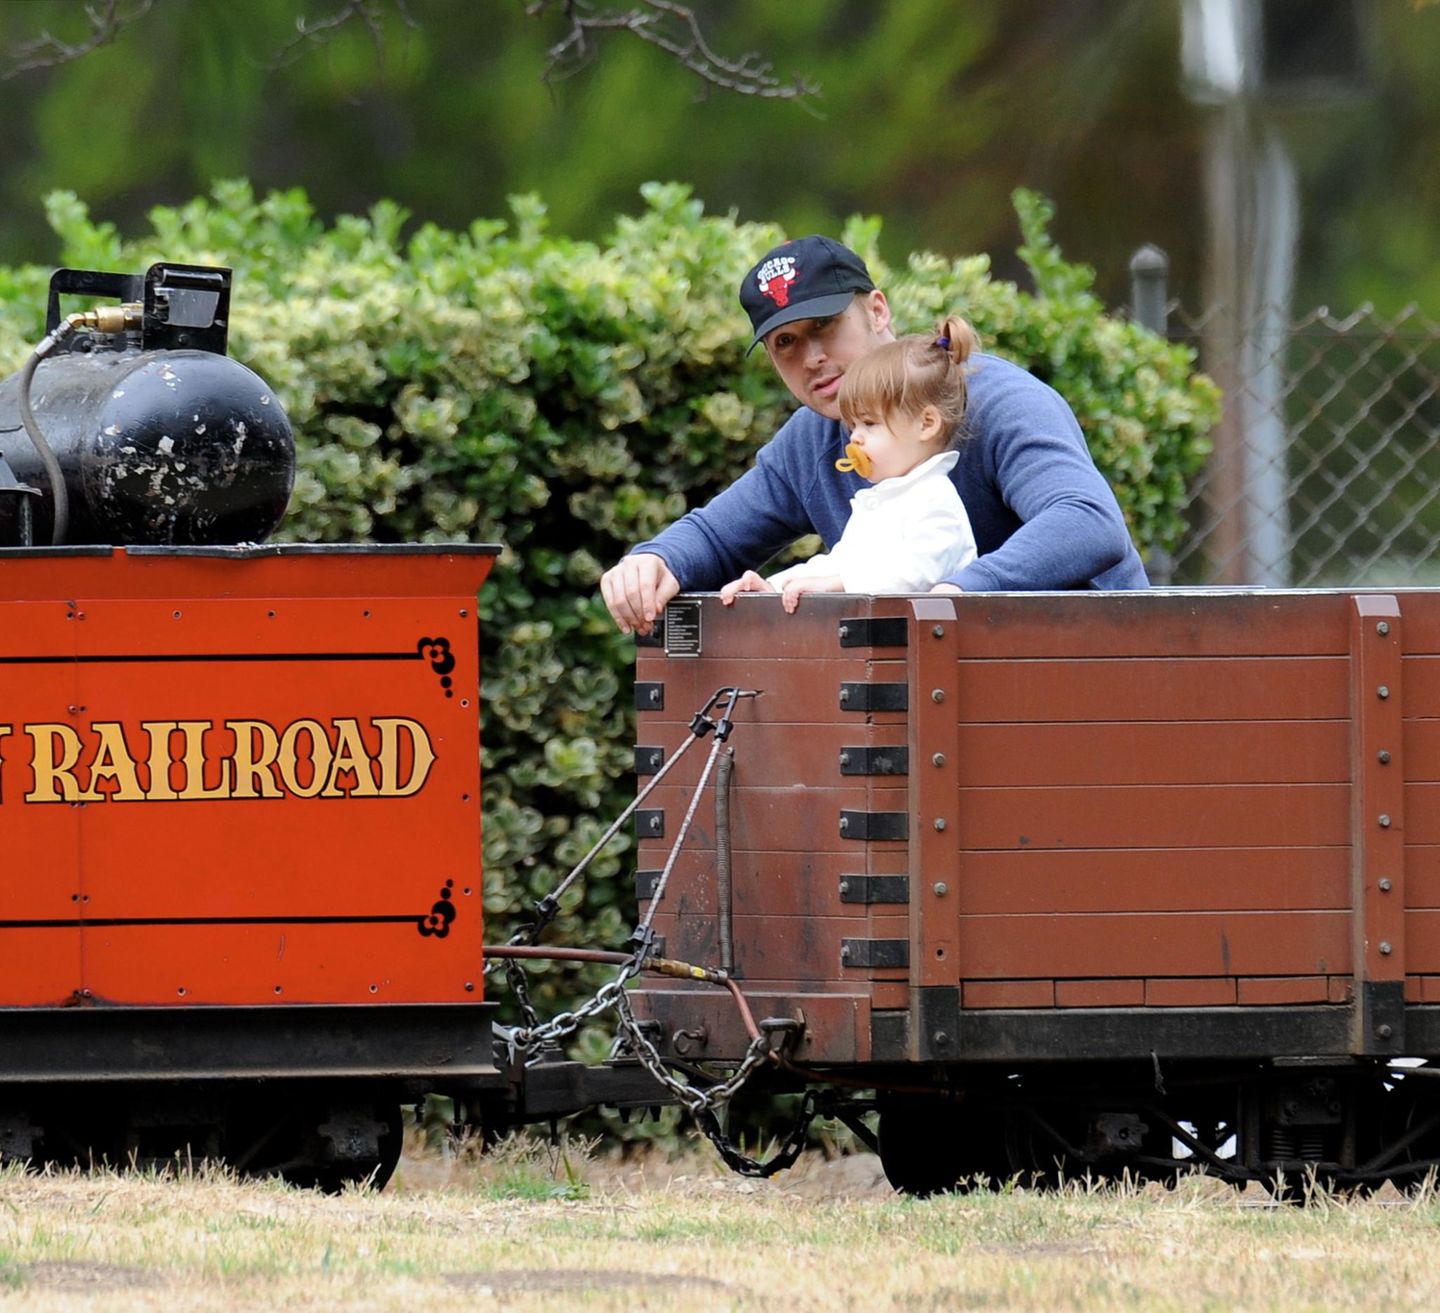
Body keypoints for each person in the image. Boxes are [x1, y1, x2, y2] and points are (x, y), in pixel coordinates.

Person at [600, 234, 1148, 637]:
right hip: (945, 707)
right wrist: (655, 561)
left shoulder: (996, 400)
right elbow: (716, 538)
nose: (812, 357)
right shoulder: (811, 439)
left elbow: (1087, 522)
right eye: (785, 344)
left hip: (1095, 687)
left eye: (824, 327)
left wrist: (952, 597)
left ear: (878, 310)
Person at [719, 315, 979, 613]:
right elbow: (840, 563)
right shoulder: (885, 499)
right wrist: (774, 588)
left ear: (926, 424)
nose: (854, 437)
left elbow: (918, 572)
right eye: (853, 425)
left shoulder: (934, 498)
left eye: (870, 423)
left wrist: (840, 582)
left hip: (932, 653)